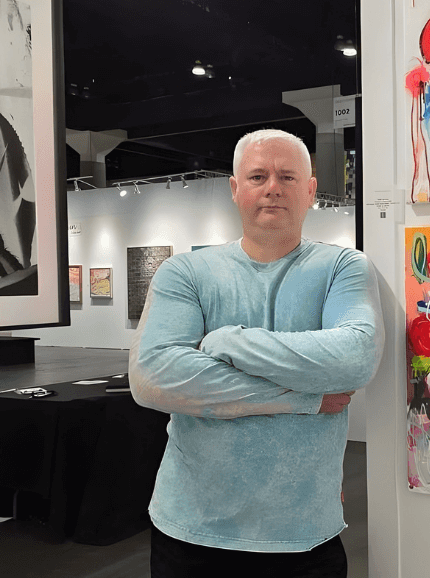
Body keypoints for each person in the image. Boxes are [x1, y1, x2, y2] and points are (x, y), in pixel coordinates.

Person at [129, 129, 383, 578]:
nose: (272, 188)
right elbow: (154, 378)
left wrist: (228, 341)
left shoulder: (343, 267)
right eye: (258, 176)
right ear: (234, 188)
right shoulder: (185, 272)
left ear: (309, 190)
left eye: (287, 176)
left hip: (305, 533)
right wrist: (304, 397)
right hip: (192, 531)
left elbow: (355, 357)